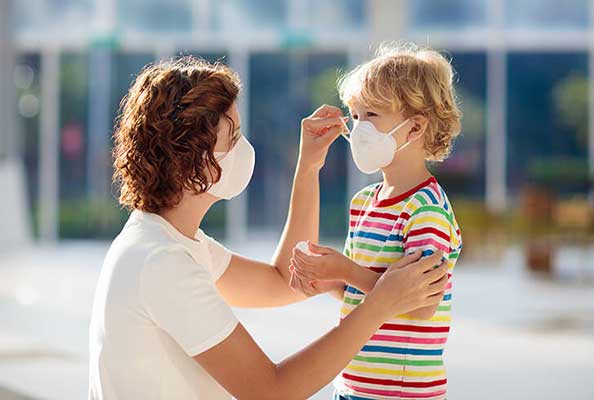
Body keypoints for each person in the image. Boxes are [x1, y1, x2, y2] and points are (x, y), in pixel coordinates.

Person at [88, 56, 449, 400]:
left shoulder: (175, 243)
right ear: (194, 161)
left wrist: (308, 167)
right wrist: (380, 303)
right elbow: (270, 392)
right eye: (233, 139)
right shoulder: (162, 262)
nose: (245, 148)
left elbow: (283, 281)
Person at [290, 43, 463, 400]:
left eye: (371, 114)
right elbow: (362, 292)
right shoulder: (364, 202)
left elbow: (422, 304)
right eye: (354, 116)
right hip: (351, 384)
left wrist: (344, 269)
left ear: (414, 127)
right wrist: (327, 281)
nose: (358, 128)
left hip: (402, 393)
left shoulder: (426, 209)